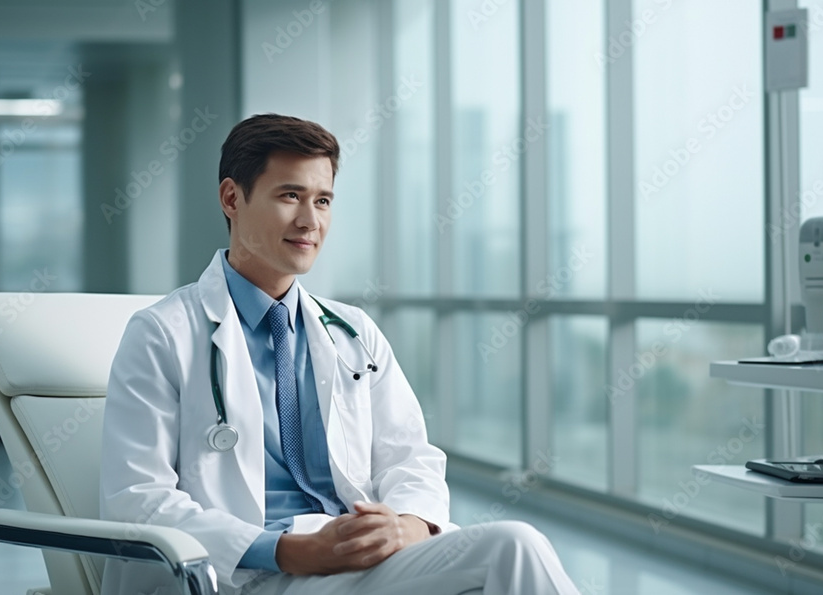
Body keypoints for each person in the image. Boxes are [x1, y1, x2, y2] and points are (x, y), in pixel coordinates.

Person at [99, 113, 578, 595]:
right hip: (249, 573)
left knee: (514, 544)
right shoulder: (161, 333)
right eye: (290, 196)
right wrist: (288, 550)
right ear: (232, 198)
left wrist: (409, 525)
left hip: (355, 557)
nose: (310, 221)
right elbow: (139, 499)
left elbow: (410, 457)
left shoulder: (351, 331)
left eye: (322, 200)